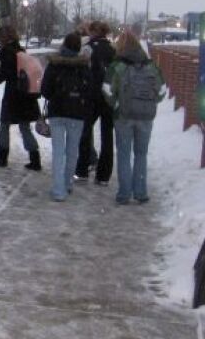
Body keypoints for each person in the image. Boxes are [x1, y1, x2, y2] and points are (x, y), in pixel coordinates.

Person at [104, 31, 165, 205]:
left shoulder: (117, 66)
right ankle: (140, 192)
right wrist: (150, 102)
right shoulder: (151, 66)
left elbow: (107, 89)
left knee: (124, 154)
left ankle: (124, 194)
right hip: (145, 116)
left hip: (123, 116)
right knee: (141, 154)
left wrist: (116, 104)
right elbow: (161, 91)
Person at [40, 33, 92, 201]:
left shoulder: (54, 64)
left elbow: (45, 90)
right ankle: (68, 183)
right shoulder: (84, 66)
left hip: (57, 112)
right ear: (78, 48)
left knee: (58, 152)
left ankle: (58, 190)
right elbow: (90, 90)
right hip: (77, 114)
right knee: (72, 151)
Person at [0, 25, 41, 169]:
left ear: (4, 37)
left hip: (13, 96)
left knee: (4, 125)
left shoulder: (7, 53)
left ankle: (2, 158)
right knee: (25, 127)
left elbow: (3, 76)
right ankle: (35, 160)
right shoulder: (21, 50)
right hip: (26, 95)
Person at [75, 20, 116, 184]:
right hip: (108, 97)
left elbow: (80, 69)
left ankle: (82, 170)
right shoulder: (113, 50)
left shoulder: (88, 48)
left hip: (91, 96)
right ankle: (103, 175)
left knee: (84, 133)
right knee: (107, 137)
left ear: (92, 32)